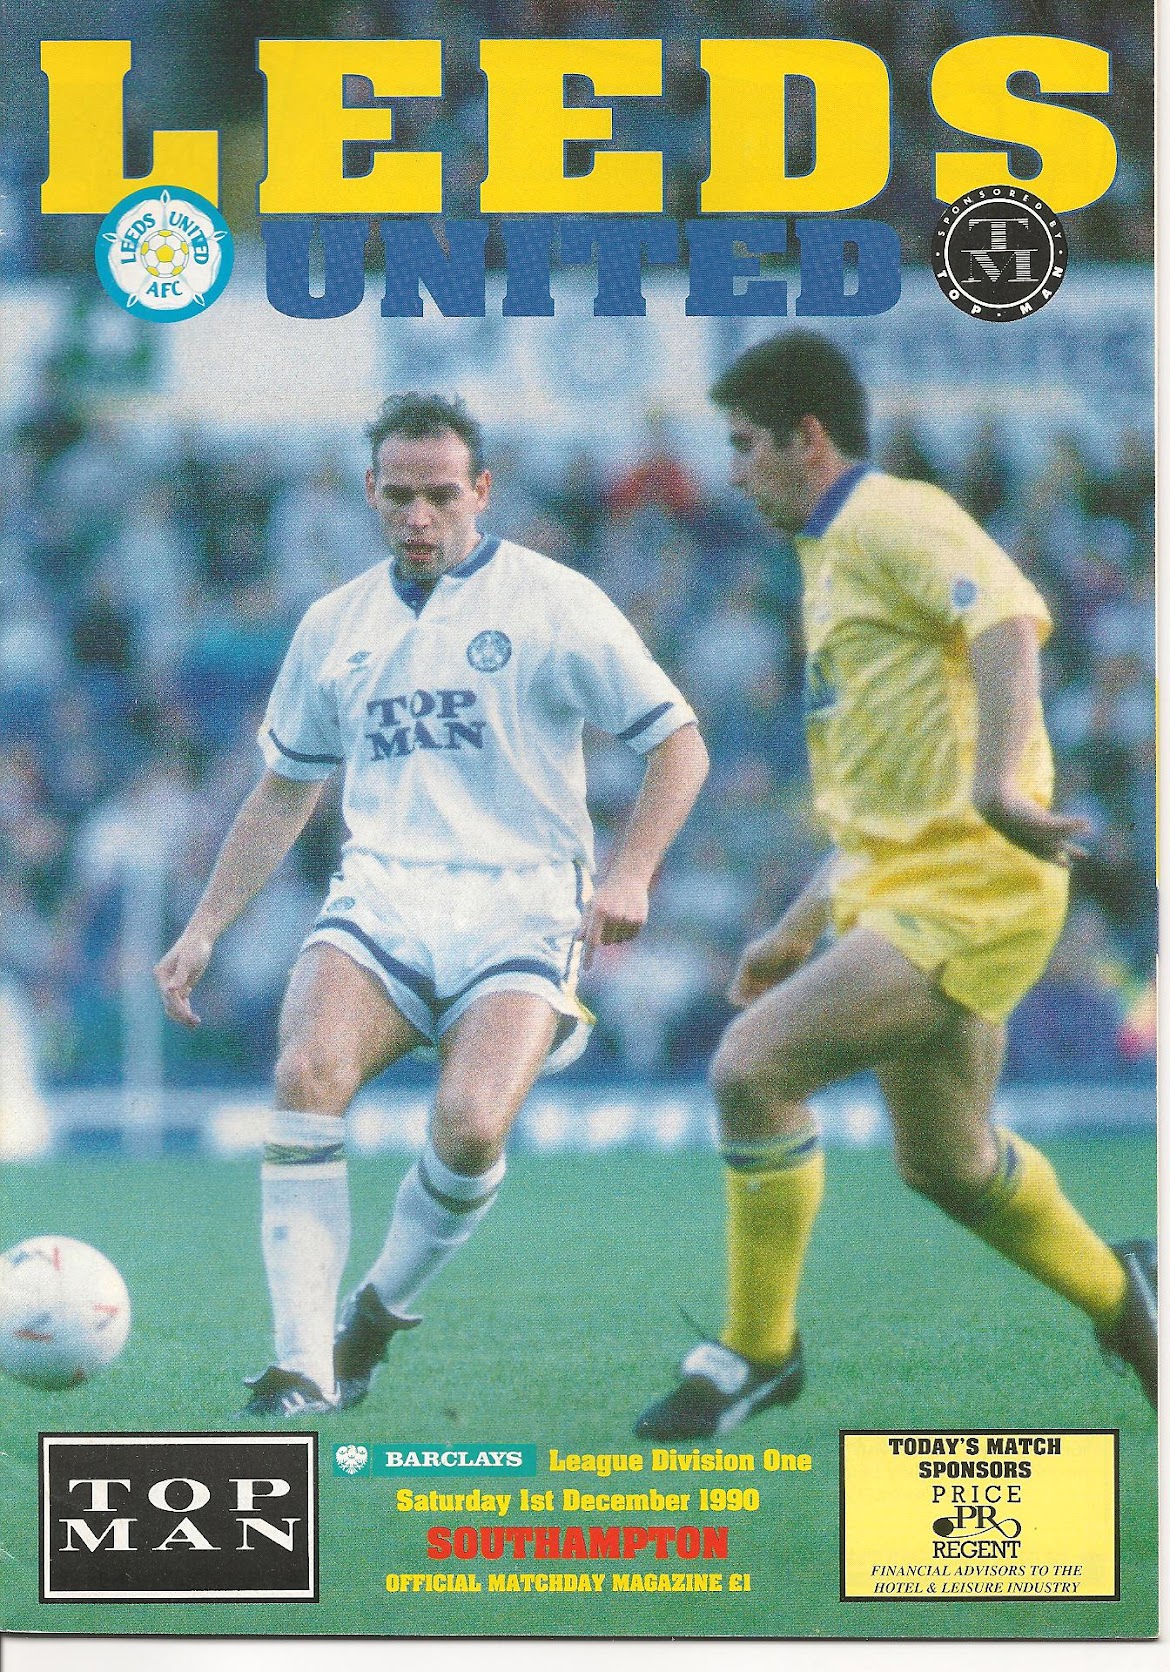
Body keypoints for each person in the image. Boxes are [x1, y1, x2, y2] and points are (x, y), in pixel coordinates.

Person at [635, 332, 1156, 1441]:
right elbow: (886, 797)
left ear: (806, 439)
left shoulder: (890, 517)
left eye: (744, 445)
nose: (733, 471)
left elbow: (1007, 615)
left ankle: (759, 1352)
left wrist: (1000, 783)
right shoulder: (828, 556)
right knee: (951, 1164)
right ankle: (1134, 1299)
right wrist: (797, 924)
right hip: (908, 887)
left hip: (970, 888)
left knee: (751, 1071)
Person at [155, 393, 709, 1417]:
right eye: (400, 495)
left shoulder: (555, 601)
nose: (420, 516)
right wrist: (204, 926)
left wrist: (632, 871)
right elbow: (283, 788)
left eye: (442, 495)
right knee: (305, 1072)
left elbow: (678, 741)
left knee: (468, 1126)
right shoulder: (334, 624)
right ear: (370, 493)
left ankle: (374, 1312)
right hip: (383, 896)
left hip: (523, 903)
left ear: (481, 491)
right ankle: (300, 1366)